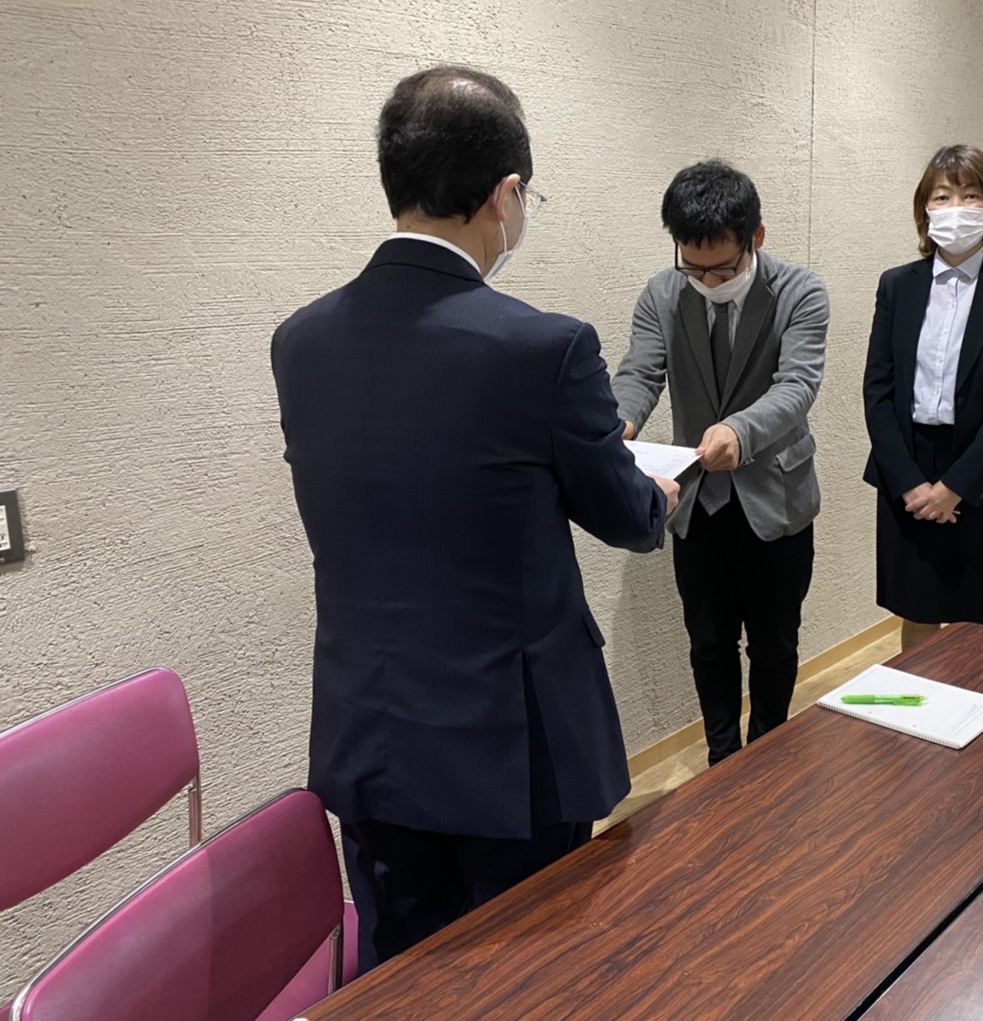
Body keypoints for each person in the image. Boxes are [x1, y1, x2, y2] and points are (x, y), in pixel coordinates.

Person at [271, 65, 680, 972]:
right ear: (506, 194)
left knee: (399, 973)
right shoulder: (544, 347)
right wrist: (657, 494)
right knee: (529, 973)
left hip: (369, 737)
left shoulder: (299, 341)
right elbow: (624, 513)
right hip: (511, 750)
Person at [611, 161, 829, 767]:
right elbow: (640, 372)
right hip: (698, 504)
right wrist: (616, 423)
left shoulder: (800, 292)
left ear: (756, 237)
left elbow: (797, 386)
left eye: (724, 269)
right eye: (694, 267)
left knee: (774, 645)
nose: (707, 281)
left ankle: (767, 760)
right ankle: (723, 763)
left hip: (776, 501)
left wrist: (740, 430)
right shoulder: (663, 293)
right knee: (708, 644)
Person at [862, 145, 983, 651]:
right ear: (925, 209)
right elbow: (878, 389)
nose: (955, 207)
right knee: (916, 608)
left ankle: (971, 701)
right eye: (942, 196)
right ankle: (918, 701)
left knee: (975, 621)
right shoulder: (897, 285)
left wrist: (955, 489)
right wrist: (908, 484)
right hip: (907, 465)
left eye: (970, 196)